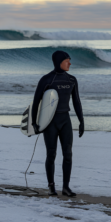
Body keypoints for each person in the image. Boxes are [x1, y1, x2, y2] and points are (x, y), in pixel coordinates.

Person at [31, 50, 84, 197]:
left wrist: (81, 121)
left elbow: (77, 102)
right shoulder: (47, 80)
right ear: (58, 62)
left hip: (65, 120)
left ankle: (66, 187)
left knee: (68, 154)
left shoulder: (72, 80)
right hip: (50, 122)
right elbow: (36, 102)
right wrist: (34, 123)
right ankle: (51, 186)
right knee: (51, 154)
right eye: (67, 60)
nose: (70, 63)